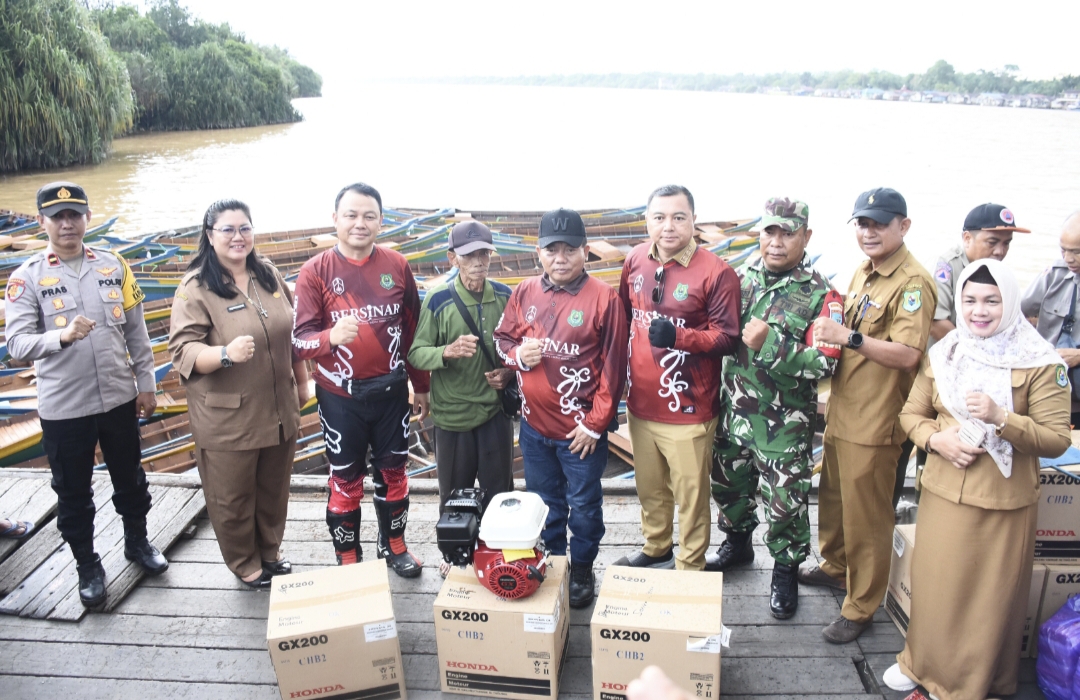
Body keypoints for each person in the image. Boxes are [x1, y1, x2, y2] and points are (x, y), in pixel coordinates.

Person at [882, 260, 1070, 700]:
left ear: (1010, 304)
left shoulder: (1039, 361)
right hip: (945, 491)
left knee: (984, 601)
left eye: (991, 301)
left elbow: (1057, 439)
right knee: (933, 585)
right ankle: (918, 663)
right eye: (969, 300)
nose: (978, 311)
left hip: (1003, 502)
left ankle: (967, 683)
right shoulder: (947, 351)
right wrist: (936, 440)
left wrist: (1003, 418)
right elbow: (911, 413)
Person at [4, 181, 167, 609]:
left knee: (131, 478)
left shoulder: (114, 266)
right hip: (65, 407)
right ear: (42, 223)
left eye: (75, 214)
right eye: (57, 217)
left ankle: (137, 543)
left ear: (88, 218)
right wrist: (60, 337)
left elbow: (137, 331)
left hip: (117, 398)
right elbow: (17, 345)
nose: (67, 223)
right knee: (73, 493)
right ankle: (87, 565)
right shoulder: (27, 279)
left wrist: (146, 383)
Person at [800, 187, 935, 643]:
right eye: (862, 223)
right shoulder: (864, 270)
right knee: (835, 502)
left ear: (904, 226)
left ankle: (860, 608)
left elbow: (908, 354)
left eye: (879, 223)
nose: (869, 231)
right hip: (842, 411)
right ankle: (836, 567)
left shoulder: (912, 282)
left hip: (876, 421)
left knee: (868, 517)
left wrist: (849, 337)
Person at [707, 197, 841, 619]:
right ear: (760, 234)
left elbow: (825, 361)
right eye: (770, 232)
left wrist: (774, 345)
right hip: (734, 414)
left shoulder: (822, 294)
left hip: (783, 425)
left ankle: (785, 568)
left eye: (788, 233)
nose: (777, 242)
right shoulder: (738, 278)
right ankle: (738, 543)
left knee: (785, 502)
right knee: (729, 485)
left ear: (806, 236)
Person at [292, 182, 430, 578]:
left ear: (381, 221)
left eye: (369, 216)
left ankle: (394, 545)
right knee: (346, 480)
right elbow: (299, 342)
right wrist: (329, 338)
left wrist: (420, 385)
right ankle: (348, 557)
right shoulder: (315, 271)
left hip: (390, 393)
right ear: (334, 219)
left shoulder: (396, 266)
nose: (360, 223)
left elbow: (413, 332)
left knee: (394, 474)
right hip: (340, 397)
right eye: (351, 215)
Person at [169, 199, 308, 589]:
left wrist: (302, 380)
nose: (237, 237)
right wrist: (224, 355)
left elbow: (292, 333)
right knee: (232, 498)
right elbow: (182, 351)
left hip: (279, 408)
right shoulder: (195, 287)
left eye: (244, 228)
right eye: (227, 230)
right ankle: (244, 563)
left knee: (273, 488)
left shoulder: (267, 275)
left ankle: (269, 551)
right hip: (228, 416)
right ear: (210, 236)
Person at [494, 208, 628, 608]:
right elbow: (501, 340)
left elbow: (614, 370)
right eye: (552, 249)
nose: (560, 257)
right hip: (534, 430)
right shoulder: (524, 292)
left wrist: (595, 424)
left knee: (584, 506)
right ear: (539, 253)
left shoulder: (605, 299)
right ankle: (554, 563)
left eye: (570, 249)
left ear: (585, 251)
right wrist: (519, 354)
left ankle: (582, 568)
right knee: (542, 501)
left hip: (579, 434)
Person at [615, 184, 740, 571]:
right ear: (647, 220)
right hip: (640, 406)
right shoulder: (635, 259)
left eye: (678, 217)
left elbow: (729, 338)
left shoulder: (717, 273)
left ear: (693, 219)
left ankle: (690, 565)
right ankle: (657, 546)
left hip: (689, 410)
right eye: (659, 217)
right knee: (650, 490)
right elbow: (623, 317)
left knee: (691, 498)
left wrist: (680, 337)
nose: (668, 226)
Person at [893, 204, 1030, 512]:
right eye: (992, 242)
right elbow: (938, 322)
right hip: (938, 374)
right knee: (931, 443)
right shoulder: (947, 267)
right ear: (967, 238)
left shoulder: (996, 273)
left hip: (975, 378)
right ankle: (923, 510)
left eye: (1006, 243)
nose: (1000, 251)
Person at [407, 221, 515, 576]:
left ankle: (498, 550)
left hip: (493, 413)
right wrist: (447, 352)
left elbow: (518, 348)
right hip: (452, 415)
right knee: (454, 493)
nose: (479, 261)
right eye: (470, 255)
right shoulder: (438, 300)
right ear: (453, 258)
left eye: (484, 253)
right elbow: (417, 353)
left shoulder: (504, 295)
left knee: (500, 491)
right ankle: (455, 553)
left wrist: (509, 372)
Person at [1021, 210, 1080, 424]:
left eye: (1076, 252)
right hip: (1050, 389)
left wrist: (1078, 356)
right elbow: (1016, 312)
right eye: (1063, 250)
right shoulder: (1055, 274)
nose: (1068, 258)